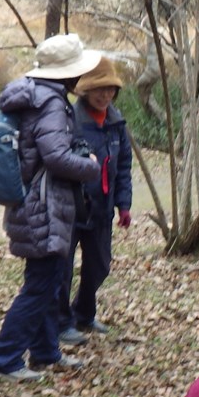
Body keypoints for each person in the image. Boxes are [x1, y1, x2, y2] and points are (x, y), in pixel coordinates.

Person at [0, 33, 103, 382]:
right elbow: (56, 157)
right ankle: (4, 358)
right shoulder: (50, 103)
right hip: (45, 206)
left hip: (36, 203)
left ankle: (45, 351)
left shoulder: (36, 96)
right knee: (41, 286)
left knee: (49, 283)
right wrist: (91, 166)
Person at [56, 56, 133, 346]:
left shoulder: (116, 121)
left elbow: (123, 166)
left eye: (110, 89)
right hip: (72, 208)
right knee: (62, 269)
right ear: (85, 90)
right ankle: (61, 323)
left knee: (99, 265)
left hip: (102, 208)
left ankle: (84, 314)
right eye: (99, 89)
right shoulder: (71, 120)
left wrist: (123, 205)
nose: (105, 95)